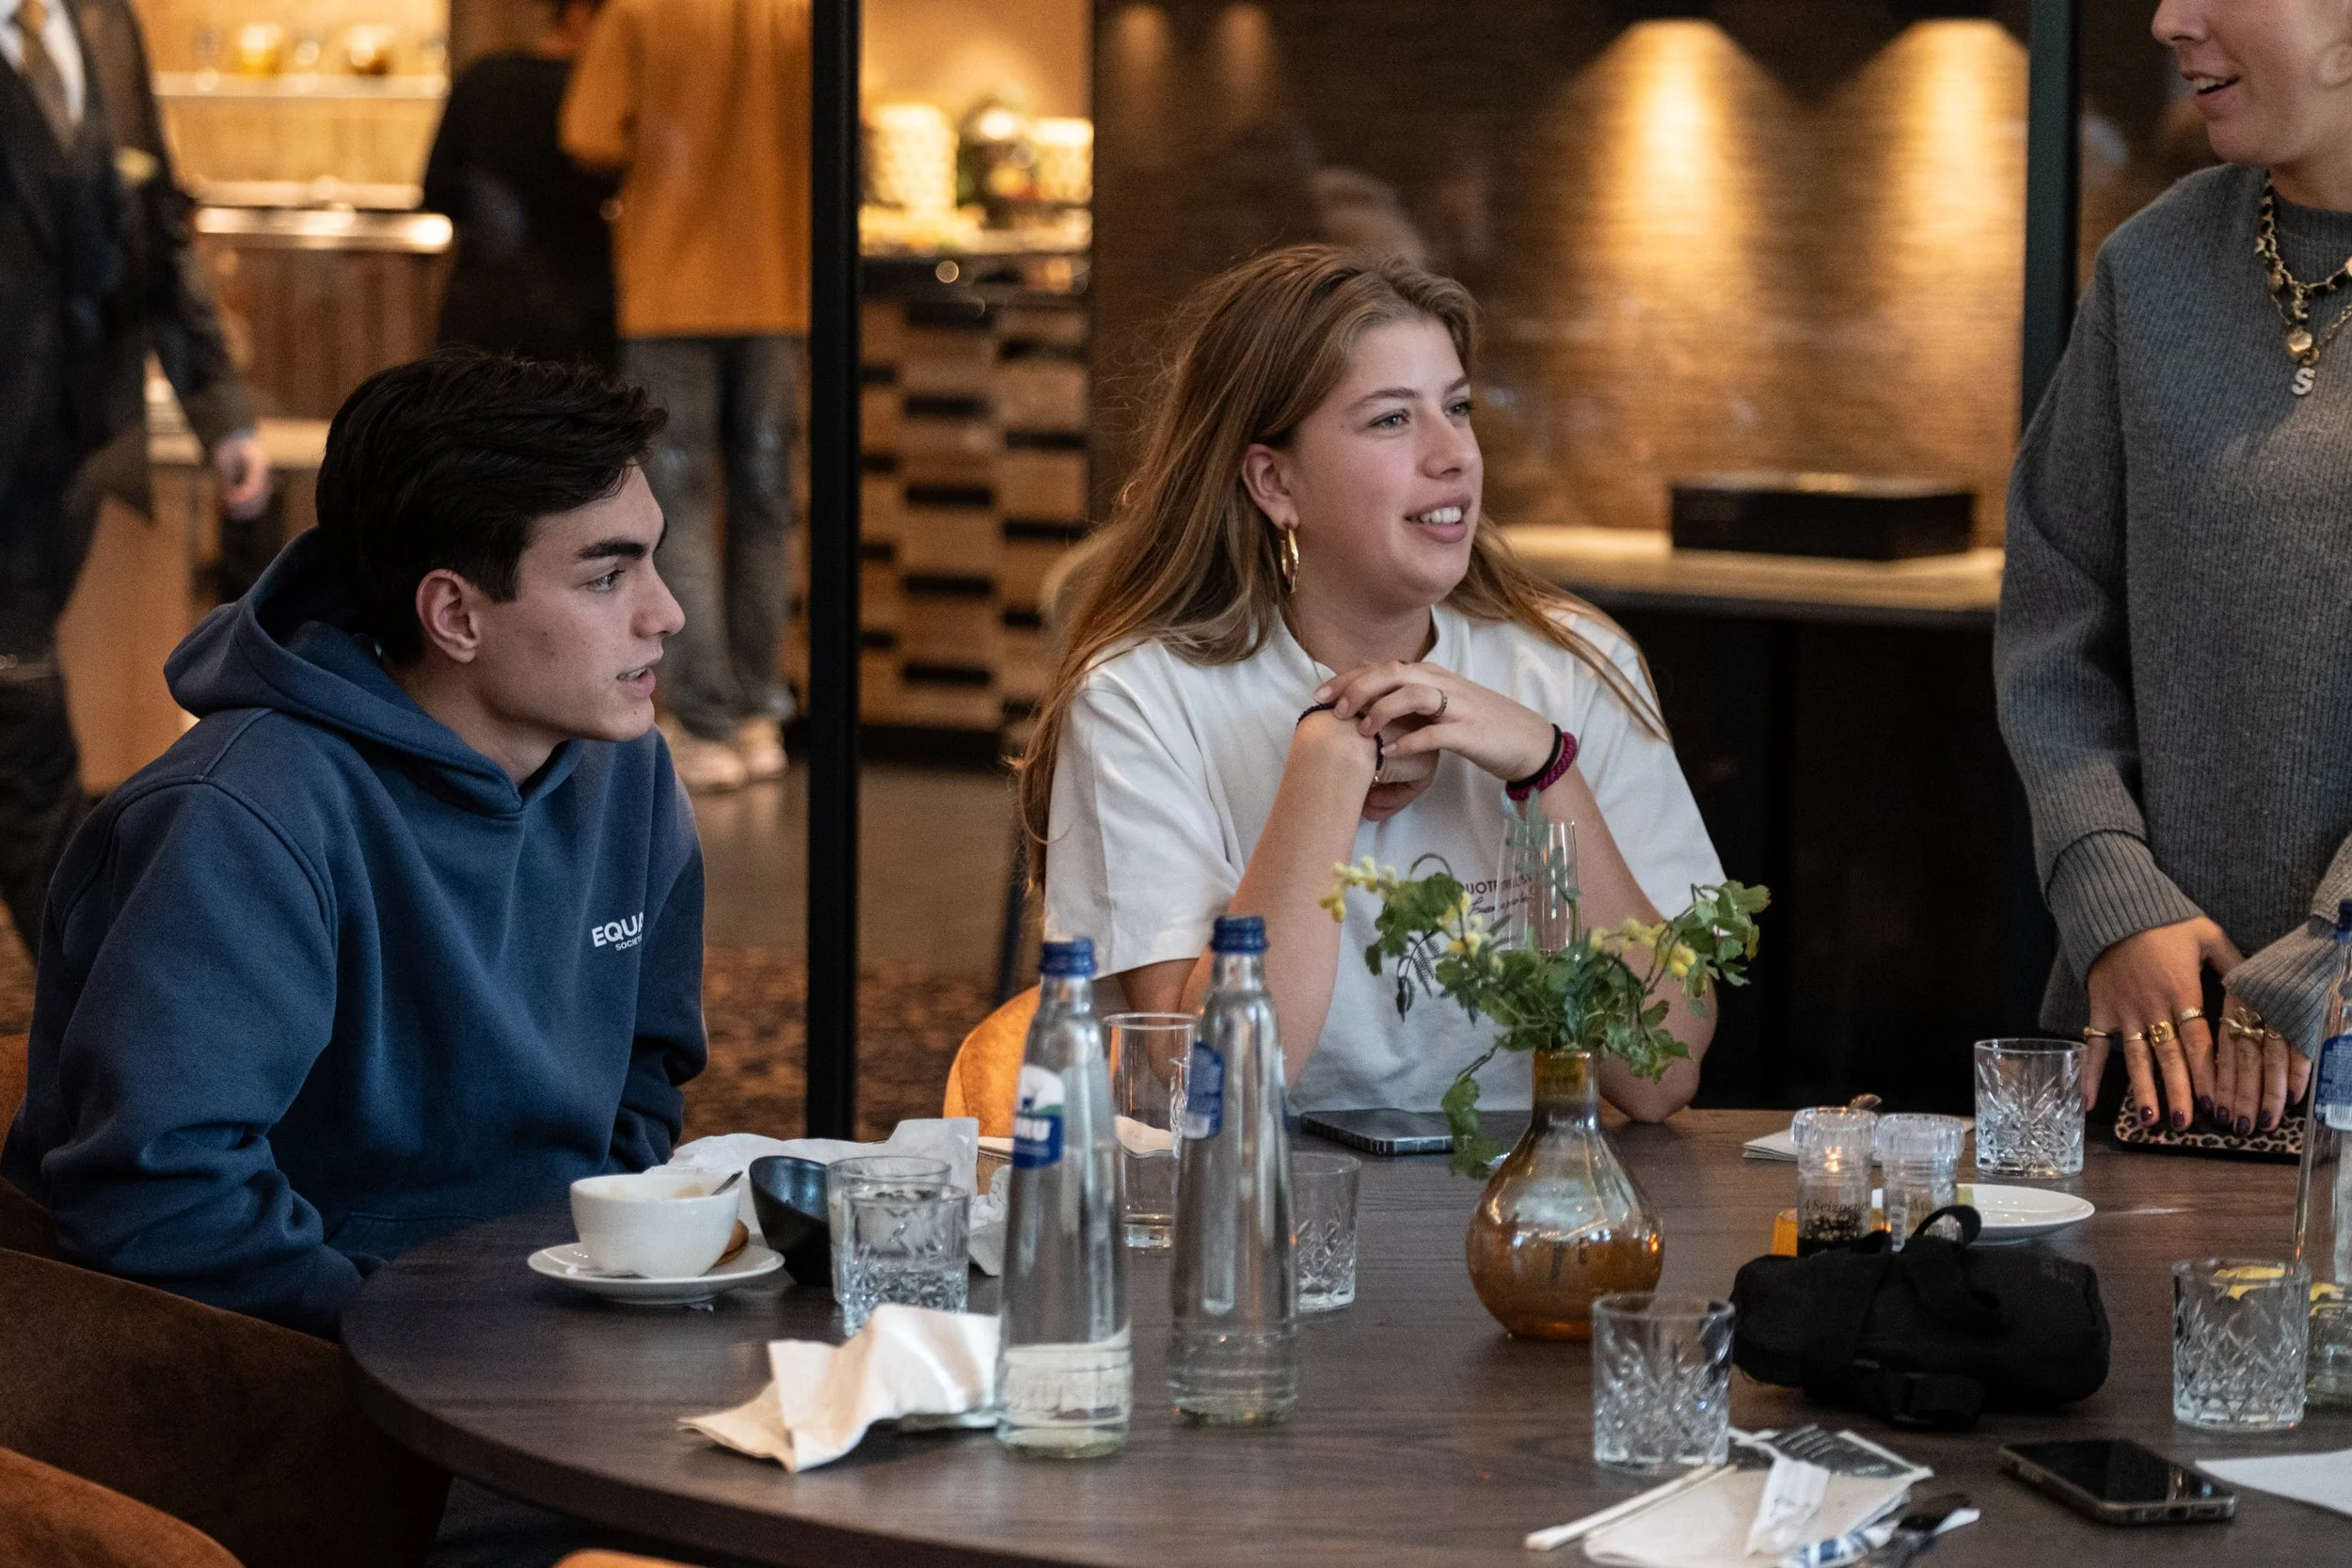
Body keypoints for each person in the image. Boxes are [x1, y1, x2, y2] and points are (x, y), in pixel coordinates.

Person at [2, 350, 704, 1342]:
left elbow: (645, 1073)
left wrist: (587, 1276)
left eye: (652, 560)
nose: (666, 612)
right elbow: (160, 1194)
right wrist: (423, 1342)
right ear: (454, 613)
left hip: (545, 1329)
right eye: (606, 576)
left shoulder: (626, 768)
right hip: (302, 1371)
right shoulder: (239, 815)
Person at [1023, 246, 1724, 1121]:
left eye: (1457, 407)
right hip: (1258, 1197)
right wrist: (1327, 766)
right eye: (1392, 419)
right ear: (1275, 481)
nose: (1454, 454)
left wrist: (1544, 768)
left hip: (1521, 1194)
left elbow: (1659, 1076)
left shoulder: (1575, 667)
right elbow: (1206, 1090)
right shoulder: (1140, 697)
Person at [1996, 0, 2352, 1141]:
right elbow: (2052, 621)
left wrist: (2331, 945)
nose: (2165, 19)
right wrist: (2111, 893)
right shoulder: (2151, 267)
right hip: (2151, 1056)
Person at [0, 0, 268, 957]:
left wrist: (219, 410)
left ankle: (93, 987)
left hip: (70, 453)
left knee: (21, 711)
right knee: (26, 719)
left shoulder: (102, 23)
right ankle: (98, 983)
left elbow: (154, 227)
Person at [559, 0, 808, 793]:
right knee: (767, 507)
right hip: (779, 294)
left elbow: (590, 136)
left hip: (670, 295)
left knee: (678, 510)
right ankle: (761, 711)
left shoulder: (637, 11)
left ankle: (705, 723)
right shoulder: (797, 14)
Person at [421, 0, 619, 370]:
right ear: (581, 15)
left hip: (481, 302)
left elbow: (437, 189)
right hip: (577, 304)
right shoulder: (599, 97)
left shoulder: (483, 77)